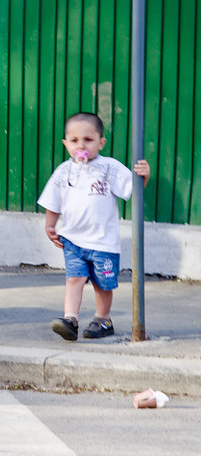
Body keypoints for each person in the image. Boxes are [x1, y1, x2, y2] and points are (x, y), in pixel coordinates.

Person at [38, 112, 150, 340]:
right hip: (72, 240)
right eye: (74, 140)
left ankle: (102, 319)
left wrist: (144, 177)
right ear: (66, 143)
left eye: (88, 140)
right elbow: (53, 200)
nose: (81, 145)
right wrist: (50, 225)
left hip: (103, 242)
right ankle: (70, 319)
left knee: (102, 284)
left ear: (101, 142)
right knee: (74, 279)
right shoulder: (63, 171)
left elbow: (131, 188)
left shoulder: (109, 167)